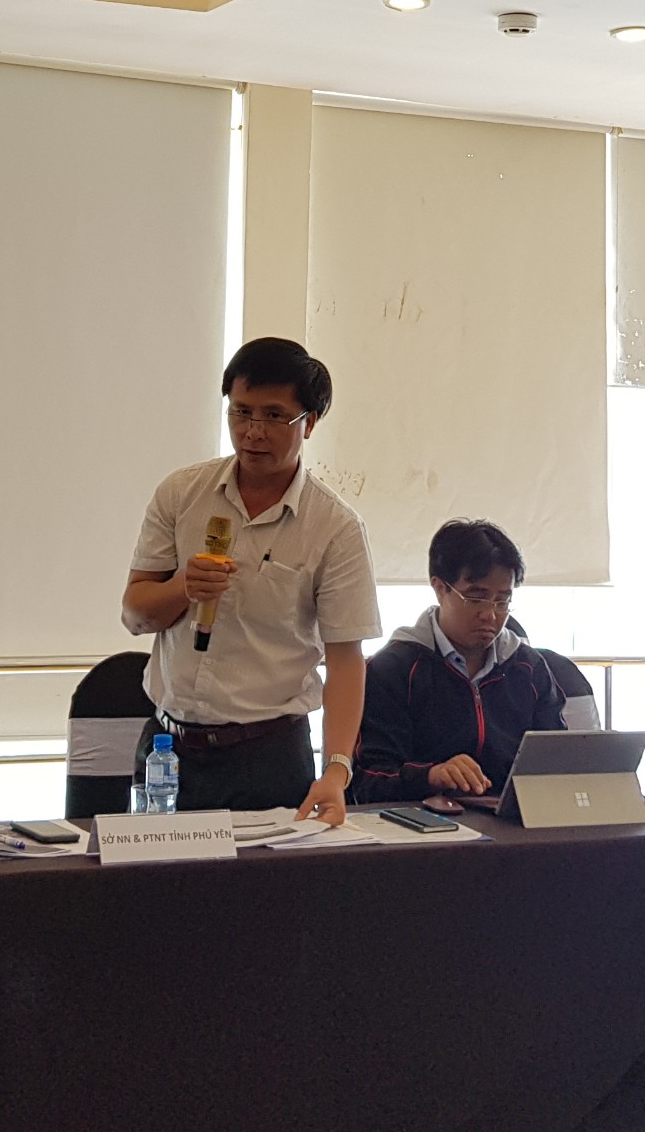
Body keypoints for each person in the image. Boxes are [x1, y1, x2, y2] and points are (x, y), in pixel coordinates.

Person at [122, 336, 379, 821]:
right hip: (167, 751)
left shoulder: (336, 528)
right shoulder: (181, 493)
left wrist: (336, 770)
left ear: (309, 423)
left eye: (274, 416)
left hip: (269, 755)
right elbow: (135, 615)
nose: (253, 432)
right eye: (241, 412)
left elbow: (346, 660)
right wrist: (183, 586)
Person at [350, 518, 591, 804]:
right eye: (476, 598)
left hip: (511, 819)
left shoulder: (528, 668)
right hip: (422, 820)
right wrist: (431, 776)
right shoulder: (392, 670)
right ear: (440, 588)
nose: (490, 615)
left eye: (502, 601)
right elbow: (366, 780)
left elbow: (556, 762)